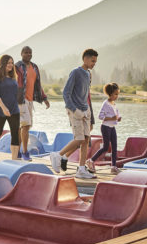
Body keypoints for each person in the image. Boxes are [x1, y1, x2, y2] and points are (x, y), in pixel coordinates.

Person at [49, 48, 98, 179]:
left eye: (95, 61)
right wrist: (74, 110)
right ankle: (57, 155)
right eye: (92, 61)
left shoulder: (88, 74)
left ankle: (81, 169)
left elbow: (87, 95)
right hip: (75, 111)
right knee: (79, 139)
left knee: (85, 140)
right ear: (85, 59)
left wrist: (90, 114)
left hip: (86, 111)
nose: (94, 64)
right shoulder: (76, 72)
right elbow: (66, 93)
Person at [15, 46, 50, 161]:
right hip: (20, 99)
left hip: (30, 101)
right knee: (25, 125)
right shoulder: (17, 66)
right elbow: (12, 82)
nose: (28, 54)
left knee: (24, 126)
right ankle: (25, 153)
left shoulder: (34, 67)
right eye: (26, 52)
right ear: (21, 54)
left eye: (30, 53)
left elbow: (38, 84)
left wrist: (44, 98)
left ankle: (18, 152)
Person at [90, 82, 122, 174]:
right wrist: (112, 118)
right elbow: (100, 116)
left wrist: (118, 118)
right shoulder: (106, 104)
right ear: (110, 94)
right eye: (115, 94)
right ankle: (91, 160)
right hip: (105, 127)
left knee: (114, 147)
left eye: (117, 94)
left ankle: (113, 166)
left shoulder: (114, 104)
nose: (117, 96)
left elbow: (117, 115)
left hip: (112, 127)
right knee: (105, 147)